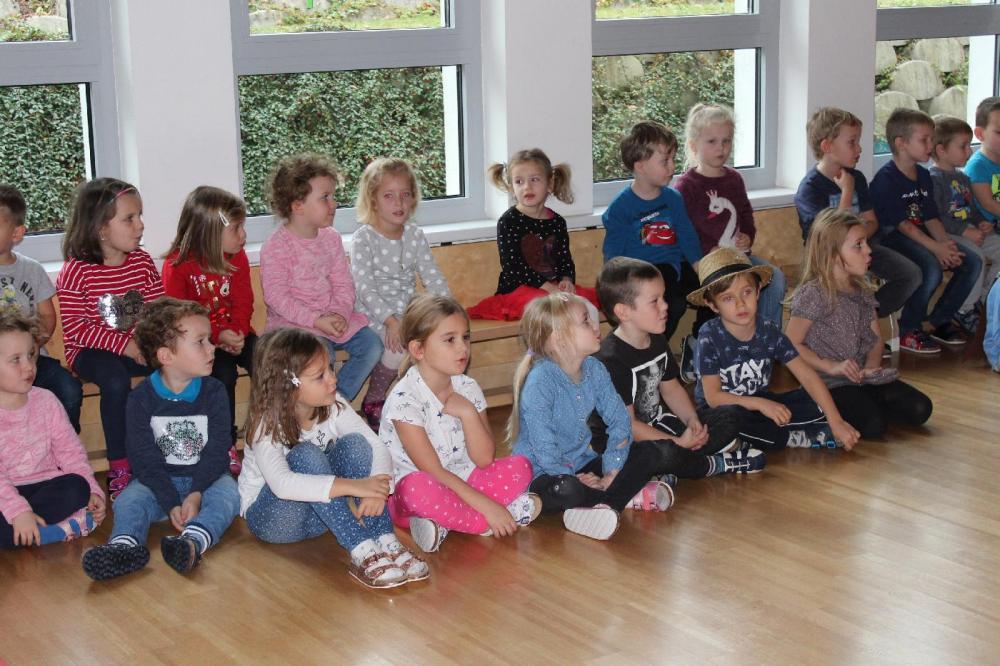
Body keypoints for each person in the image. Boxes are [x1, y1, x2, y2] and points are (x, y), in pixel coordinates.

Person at [239, 327, 426, 589]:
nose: (333, 379)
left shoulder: (334, 403)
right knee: (305, 455)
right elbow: (282, 484)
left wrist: (377, 489)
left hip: (323, 517)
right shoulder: (266, 422)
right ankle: (361, 548)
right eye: (320, 376)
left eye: (330, 368)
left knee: (357, 444)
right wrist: (356, 487)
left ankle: (385, 539)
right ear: (288, 386)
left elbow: (376, 445)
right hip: (275, 520)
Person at [81, 298, 240, 580]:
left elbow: (218, 451)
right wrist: (169, 501)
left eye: (209, 340)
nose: (211, 348)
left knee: (229, 495)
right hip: (158, 483)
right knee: (128, 500)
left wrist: (196, 493)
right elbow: (144, 460)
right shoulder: (140, 399)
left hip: (206, 481)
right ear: (166, 356)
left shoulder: (214, 392)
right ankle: (124, 546)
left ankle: (193, 541)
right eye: (200, 342)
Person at [381, 294, 540, 553]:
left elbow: (484, 459)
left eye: (465, 337)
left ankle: (446, 521)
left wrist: (468, 413)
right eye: (450, 340)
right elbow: (433, 471)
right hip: (420, 488)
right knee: (415, 489)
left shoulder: (467, 387)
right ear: (418, 349)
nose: (463, 348)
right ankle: (490, 519)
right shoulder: (404, 400)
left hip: (464, 478)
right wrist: (488, 507)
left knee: (521, 466)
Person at [510, 293, 668, 541]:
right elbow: (544, 447)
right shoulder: (540, 381)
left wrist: (612, 472)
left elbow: (620, 420)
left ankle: (603, 505)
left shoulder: (595, 368)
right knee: (566, 489)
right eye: (586, 321)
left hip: (581, 462)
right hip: (545, 473)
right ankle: (622, 496)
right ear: (559, 338)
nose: (596, 326)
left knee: (650, 451)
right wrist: (571, 476)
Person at [594, 257, 764, 479]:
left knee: (730, 415)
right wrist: (677, 443)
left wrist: (692, 422)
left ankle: (684, 460)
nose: (665, 306)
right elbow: (629, 426)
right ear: (624, 312)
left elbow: (671, 389)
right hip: (623, 440)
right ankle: (713, 463)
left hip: (661, 425)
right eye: (655, 301)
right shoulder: (610, 360)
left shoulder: (656, 338)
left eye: (663, 297)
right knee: (662, 455)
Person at [691, 247, 861, 451]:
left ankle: (754, 440)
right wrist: (761, 404)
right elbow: (713, 397)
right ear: (712, 305)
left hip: (760, 405)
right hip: (722, 410)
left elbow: (807, 376)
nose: (740, 304)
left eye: (746, 292)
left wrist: (836, 421)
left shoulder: (769, 331)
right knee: (729, 420)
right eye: (728, 298)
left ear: (758, 290)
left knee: (819, 400)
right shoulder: (709, 336)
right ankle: (790, 437)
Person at [56, 178, 164, 498]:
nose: (140, 225)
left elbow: (158, 311)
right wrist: (125, 345)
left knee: (169, 371)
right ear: (101, 228)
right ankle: (120, 464)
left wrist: (151, 344)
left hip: (136, 346)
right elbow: (76, 328)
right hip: (89, 350)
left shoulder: (142, 262)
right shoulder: (77, 271)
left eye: (139, 215)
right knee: (115, 381)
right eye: (129, 218)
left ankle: (162, 454)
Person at [786, 209, 933, 439]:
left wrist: (871, 368)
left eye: (866, 243)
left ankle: (865, 404)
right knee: (874, 426)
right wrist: (831, 367)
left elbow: (876, 340)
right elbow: (790, 344)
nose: (868, 250)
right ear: (833, 254)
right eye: (859, 245)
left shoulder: (862, 291)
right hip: (828, 383)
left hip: (862, 379)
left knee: (921, 408)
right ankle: (823, 409)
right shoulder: (814, 294)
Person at [260, 153, 382, 402]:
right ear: (297, 206)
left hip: (334, 318)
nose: (333, 204)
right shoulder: (276, 245)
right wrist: (316, 320)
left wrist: (340, 313)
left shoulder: (331, 238)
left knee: (372, 346)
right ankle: (319, 406)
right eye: (325, 197)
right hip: (295, 325)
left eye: (332, 196)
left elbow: (343, 283)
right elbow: (276, 297)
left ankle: (336, 403)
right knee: (320, 356)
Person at [673, 104, 786, 370]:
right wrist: (707, 251)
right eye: (712, 141)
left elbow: (745, 214)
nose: (721, 148)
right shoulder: (686, 186)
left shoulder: (734, 179)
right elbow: (684, 230)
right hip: (703, 263)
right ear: (694, 145)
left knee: (776, 278)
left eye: (726, 141)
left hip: (738, 258)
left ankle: (762, 346)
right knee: (722, 287)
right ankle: (698, 345)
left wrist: (747, 236)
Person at [350, 157, 451, 429]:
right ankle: (374, 398)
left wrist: (449, 310)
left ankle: (420, 401)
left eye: (405, 195)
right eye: (389, 196)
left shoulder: (414, 235)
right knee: (397, 350)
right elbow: (364, 288)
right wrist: (391, 321)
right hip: (372, 313)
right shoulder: (364, 238)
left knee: (434, 340)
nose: (399, 203)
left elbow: (432, 275)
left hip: (407, 311)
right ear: (373, 200)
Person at [870, 109, 981, 353]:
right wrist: (935, 249)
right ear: (901, 143)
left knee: (971, 262)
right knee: (930, 268)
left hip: (920, 234)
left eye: (932, 139)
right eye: (924, 140)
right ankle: (909, 329)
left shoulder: (922, 174)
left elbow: (930, 216)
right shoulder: (886, 179)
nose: (930, 145)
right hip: (893, 237)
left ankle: (938, 321)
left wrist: (945, 244)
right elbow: (903, 225)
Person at [162, 185, 256, 474]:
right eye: (236, 228)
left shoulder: (237, 257)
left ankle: (269, 433)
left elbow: (244, 300)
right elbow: (178, 317)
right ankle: (224, 442)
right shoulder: (178, 265)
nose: (243, 235)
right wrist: (217, 335)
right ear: (210, 232)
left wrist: (238, 332)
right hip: (199, 343)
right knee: (222, 375)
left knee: (267, 359)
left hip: (237, 334)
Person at [794, 107, 920, 318]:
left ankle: (866, 319)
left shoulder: (857, 178)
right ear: (827, 146)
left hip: (862, 249)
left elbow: (872, 222)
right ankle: (853, 323)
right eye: (852, 142)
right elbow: (831, 237)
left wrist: (857, 242)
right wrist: (847, 191)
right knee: (851, 284)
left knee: (911, 274)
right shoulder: (810, 189)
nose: (859, 148)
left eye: (858, 141)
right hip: (826, 259)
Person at [0, 310, 104, 549]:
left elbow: (71, 453)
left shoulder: (46, 400)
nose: (28, 366)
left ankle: (29, 532)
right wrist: (18, 511)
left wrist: (93, 490)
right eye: (16, 359)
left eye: (31, 355)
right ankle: (51, 530)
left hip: (43, 486)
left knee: (77, 487)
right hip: (4, 494)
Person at [602, 121, 702, 342]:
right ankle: (650, 347)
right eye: (665, 161)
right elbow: (613, 256)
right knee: (672, 303)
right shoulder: (621, 208)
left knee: (716, 289)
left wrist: (700, 267)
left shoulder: (673, 199)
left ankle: (702, 341)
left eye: (673, 159)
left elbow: (687, 237)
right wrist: (616, 287)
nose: (672, 167)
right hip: (642, 274)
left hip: (674, 266)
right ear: (640, 166)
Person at [0, 184, 82, 431]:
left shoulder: (32, 269)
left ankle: (62, 446)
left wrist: (34, 345)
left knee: (69, 390)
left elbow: (47, 315)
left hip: (33, 360)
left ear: (17, 233)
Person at [929, 115, 1000, 333]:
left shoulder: (961, 177)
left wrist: (981, 222)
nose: (969, 151)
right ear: (941, 150)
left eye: (969, 145)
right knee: (976, 257)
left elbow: (972, 208)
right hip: (949, 234)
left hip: (971, 231)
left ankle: (987, 299)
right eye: (963, 146)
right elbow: (936, 216)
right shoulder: (933, 179)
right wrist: (965, 231)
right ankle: (964, 308)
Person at [965, 96, 1000, 227]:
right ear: (980, 134)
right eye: (999, 132)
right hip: (989, 227)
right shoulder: (977, 166)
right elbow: (988, 204)